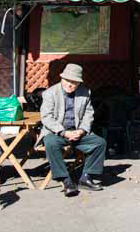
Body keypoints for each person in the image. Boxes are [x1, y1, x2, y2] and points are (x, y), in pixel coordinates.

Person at [38, 63, 106, 196]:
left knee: (99, 143)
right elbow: (46, 117)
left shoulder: (85, 93)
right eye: (67, 80)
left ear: (79, 83)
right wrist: (64, 132)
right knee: (51, 143)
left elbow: (88, 114)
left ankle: (86, 177)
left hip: (77, 132)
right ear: (61, 79)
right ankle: (65, 180)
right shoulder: (50, 93)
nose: (70, 84)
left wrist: (81, 130)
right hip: (57, 132)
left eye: (74, 82)